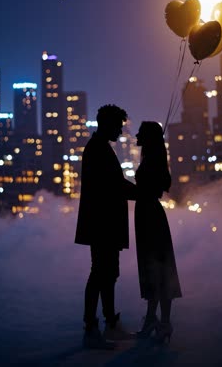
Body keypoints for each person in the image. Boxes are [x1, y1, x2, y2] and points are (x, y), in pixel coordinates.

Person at [75, 104, 136, 349]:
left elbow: (115, 184)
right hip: (103, 224)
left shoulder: (98, 148)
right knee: (101, 273)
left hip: (102, 223)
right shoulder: (98, 150)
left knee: (106, 273)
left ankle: (107, 324)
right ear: (108, 124)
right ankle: (93, 328)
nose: (121, 131)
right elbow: (114, 186)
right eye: (119, 126)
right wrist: (143, 192)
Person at [134, 121, 182, 343]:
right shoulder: (155, 158)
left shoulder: (152, 161)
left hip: (149, 217)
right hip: (149, 215)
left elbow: (147, 189)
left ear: (148, 137)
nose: (136, 135)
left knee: (156, 267)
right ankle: (159, 321)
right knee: (156, 267)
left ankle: (159, 321)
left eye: (141, 133)